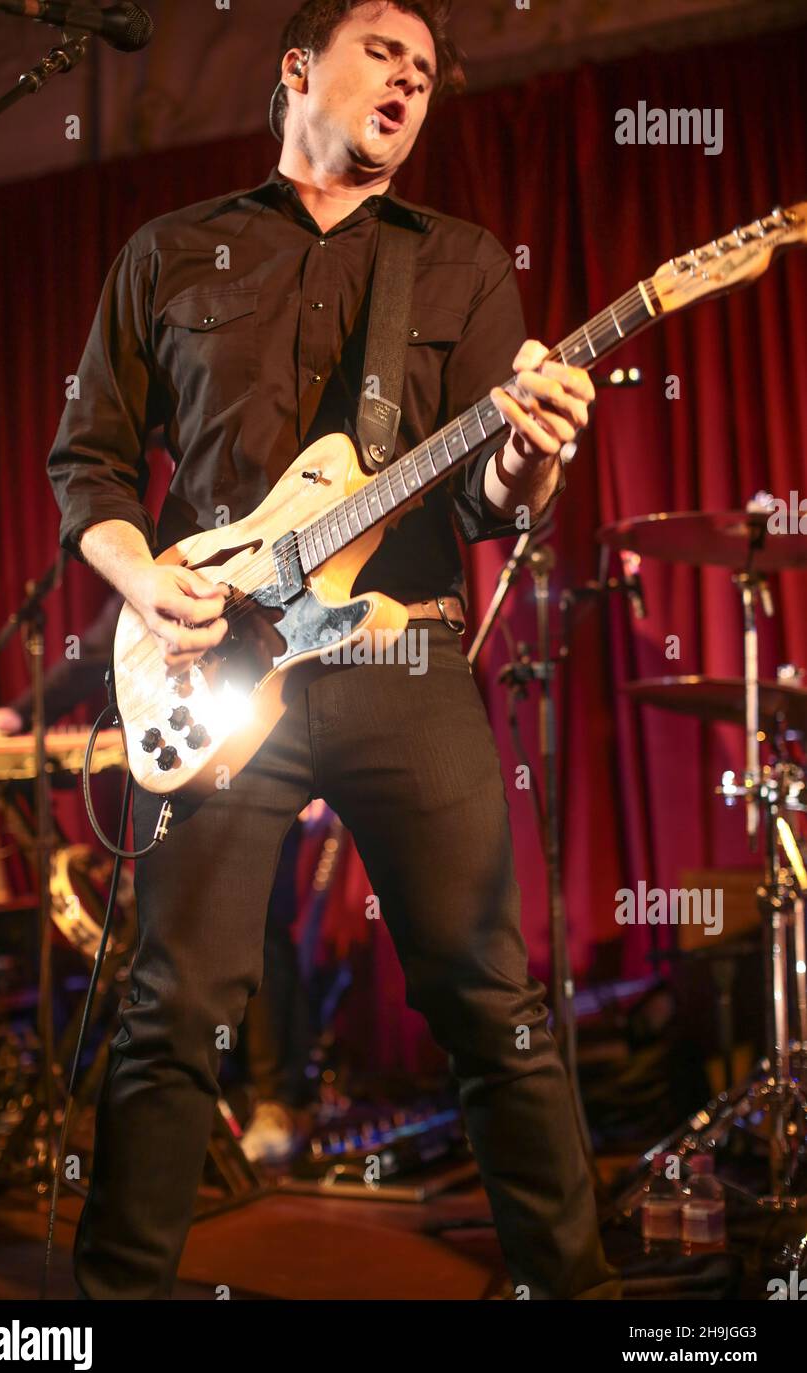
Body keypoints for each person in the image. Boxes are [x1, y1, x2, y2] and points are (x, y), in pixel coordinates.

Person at [47, 0, 617, 1299]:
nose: (411, 83)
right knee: (167, 1016)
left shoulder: (461, 261)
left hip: (402, 657)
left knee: (494, 1007)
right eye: (386, 54)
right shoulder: (168, 252)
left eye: (426, 72)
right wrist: (143, 583)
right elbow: (89, 460)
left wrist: (531, 455)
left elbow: (488, 504)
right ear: (298, 67)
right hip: (215, 665)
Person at [0, 594, 313, 1161]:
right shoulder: (153, 563)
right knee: (172, 925)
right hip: (195, 754)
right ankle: (198, 1103)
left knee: (261, 919)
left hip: (276, 733)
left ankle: (277, 1100)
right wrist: (20, 713)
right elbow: (97, 650)